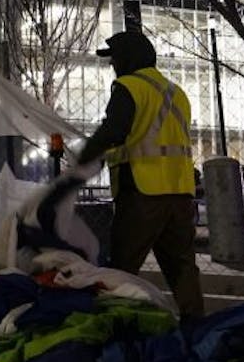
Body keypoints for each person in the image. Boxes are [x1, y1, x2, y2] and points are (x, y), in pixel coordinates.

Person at [74, 30, 204, 318]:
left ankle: (113, 326)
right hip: (180, 192)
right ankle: (196, 328)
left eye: (114, 59)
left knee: (122, 267)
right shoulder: (176, 92)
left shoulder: (129, 86)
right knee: (182, 267)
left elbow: (114, 131)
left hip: (143, 191)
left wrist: (82, 158)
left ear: (127, 58)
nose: (113, 66)